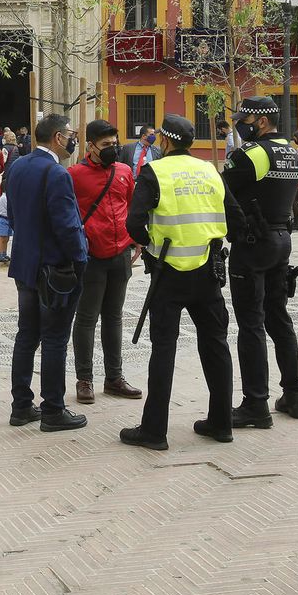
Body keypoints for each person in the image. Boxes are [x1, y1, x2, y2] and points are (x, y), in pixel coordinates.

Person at [120, 114, 237, 451]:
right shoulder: (210, 170)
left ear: (166, 141)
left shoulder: (154, 172)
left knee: (164, 349)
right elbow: (234, 215)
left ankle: (154, 431)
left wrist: (152, 247)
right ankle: (221, 423)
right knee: (216, 344)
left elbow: (134, 223)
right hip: (207, 270)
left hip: (168, 273)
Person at [224, 98, 298, 427]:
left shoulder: (252, 154)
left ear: (259, 121)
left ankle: (255, 404)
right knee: (278, 318)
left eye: (243, 119)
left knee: (251, 323)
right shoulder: (289, 150)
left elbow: (222, 190)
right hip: (282, 241)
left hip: (252, 244)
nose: (239, 124)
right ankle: (294, 395)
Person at [6, 114, 88, 433]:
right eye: (70, 134)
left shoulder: (18, 166)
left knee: (26, 336)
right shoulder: (56, 173)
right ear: (57, 137)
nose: (73, 140)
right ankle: (53, 408)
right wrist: (80, 260)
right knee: (54, 338)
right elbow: (67, 225)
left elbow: (12, 215)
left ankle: (21, 405)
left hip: (25, 263)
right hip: (53, 269)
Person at [69, 119, 140, 405]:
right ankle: (84, 379)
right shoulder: (75, 174)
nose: (113, 149)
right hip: (91, 257)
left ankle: (114, 378)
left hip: (121, 254)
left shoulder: (124, 171)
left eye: (115, 144)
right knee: (86, 319)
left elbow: (131, 206)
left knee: (114, 318)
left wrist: (136, 240)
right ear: (91, 146)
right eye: (106, 145)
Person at [0, 190, 12, 264]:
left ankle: (4, 254)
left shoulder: (8, 197)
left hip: (8, 219)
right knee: (2, 238)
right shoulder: (4, 198)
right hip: (3, 219)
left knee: (6, 238)